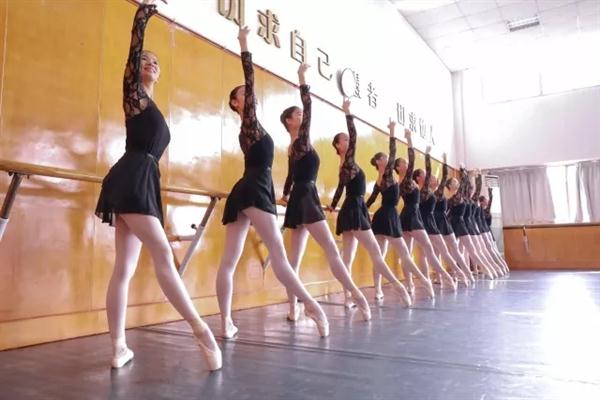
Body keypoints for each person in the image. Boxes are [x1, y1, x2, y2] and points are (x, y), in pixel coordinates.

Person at [95, 0, 221, 370]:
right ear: (136, 68)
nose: (151, 64)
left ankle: (119, 347)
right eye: (145, 60)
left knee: (125, 267)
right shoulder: (134, 97)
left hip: (141, 180)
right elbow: (133, 51)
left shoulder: (151, 106)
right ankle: (200, 329)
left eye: (156, 63)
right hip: (132, 177)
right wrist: (143, 15)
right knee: (162, 255)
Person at [217, 26, 330, 340]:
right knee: (277, 256)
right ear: (236, 104)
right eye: (243, 94)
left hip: (249, 189)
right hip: (254, 189)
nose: (249, 95)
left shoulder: (251, 129)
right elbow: (250, 77)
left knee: (230, 261)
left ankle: (226, 322)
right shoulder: (249, 124)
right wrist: (244, 44)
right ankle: (312, 307)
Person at [279, 64, 370, 322]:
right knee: (330, 248)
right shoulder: (300, 142)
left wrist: (285, 195)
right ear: (289, 121)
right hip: (306, 197)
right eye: (297, 114)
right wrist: (301, 78)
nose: (301, 116)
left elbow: (290, 175)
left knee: (295, 259)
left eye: (300, 114)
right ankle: (357, 296)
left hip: (300, 197)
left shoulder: (293, 147)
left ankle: (293, 308)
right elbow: (308, 107)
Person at [329, 101, 412, 307]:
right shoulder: (348, 162)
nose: (348, 140)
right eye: (344, 139)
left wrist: (333, 204)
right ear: (338, 146)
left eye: (347, 139)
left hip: (351, 209)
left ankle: (349, 297)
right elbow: (354, 134)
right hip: (354, 209)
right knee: (375, 253)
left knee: (349, 257)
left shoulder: (343, 165)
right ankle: (399, 288)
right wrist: (348, 113)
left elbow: (340, 189)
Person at [366, 120, 434, 300]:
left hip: (388, 215)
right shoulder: (386, 176)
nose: (388, 159)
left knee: (388, 255)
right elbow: (393, 149)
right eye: (385, 158)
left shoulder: (384, 179)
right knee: (387, 255)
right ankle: (380, 288)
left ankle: (385, 288)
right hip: (386, 216)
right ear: (380, 162)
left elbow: (370, 201)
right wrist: (392, 131)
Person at [395, 130, 457, 292]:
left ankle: (411, 284)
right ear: (399, 168)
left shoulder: (405, 182)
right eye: (403, 163)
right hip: (412, 217)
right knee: (425, 249)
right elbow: (412, 158)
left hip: (408, 216)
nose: (407, 164)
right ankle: (443, 278)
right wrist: (409, 139)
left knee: (408, 253)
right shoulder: (406, 180)